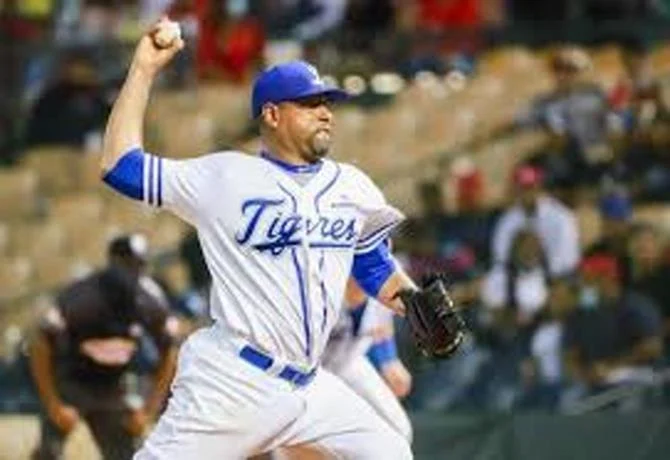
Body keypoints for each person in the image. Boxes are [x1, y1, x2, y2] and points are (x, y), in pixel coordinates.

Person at [99, 18, 419, 458]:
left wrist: (413, 302)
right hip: (234, 380)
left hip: (311, 384)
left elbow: (371, 261)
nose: (325, 112)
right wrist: (143, 70)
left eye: (326, 103)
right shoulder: (224, 177)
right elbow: (120, 166)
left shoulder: (352, 186)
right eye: (308, 103)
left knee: (391, 452)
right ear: (272, 114)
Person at [29, 234, 179, 460]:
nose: (132, 271)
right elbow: (40, 345)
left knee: (132, 456)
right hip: (72, 379)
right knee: (49, 453)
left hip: (114, 385)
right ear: (112, 262)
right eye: (126, 263)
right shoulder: (81, 296)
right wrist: (54, 403)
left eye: (139, 264)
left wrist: (149, 411)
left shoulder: (151, 299)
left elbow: (170, 352)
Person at [321, 279, 413, 441]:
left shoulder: (384, 288)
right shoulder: (320, 292)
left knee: (398, 430)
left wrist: (389, 360)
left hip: (350, 362)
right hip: (309, 371)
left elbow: (382, 324)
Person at [491, 164, 580, 277]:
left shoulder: (561, 216)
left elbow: (568, 259)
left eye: (530, 187)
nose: (527, 193)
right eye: (522, 188)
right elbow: (500, 257)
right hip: (519, 279)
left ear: (539, 187)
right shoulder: (507, 220)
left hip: (557, 277)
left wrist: (539, 276)